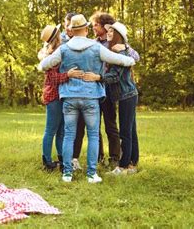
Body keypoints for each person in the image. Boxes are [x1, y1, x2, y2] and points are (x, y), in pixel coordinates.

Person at [38, 14, 135, 183]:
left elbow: (43, 66)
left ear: (72, 30)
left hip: (69, 97)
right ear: (86, 28)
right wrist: (129, 59)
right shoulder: (95, 47)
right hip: (91, 97)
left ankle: (67, 173)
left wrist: (59, 69)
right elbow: (120, 60)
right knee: (93, 135)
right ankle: (92, 174)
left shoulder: (64, 49)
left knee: (69, 135)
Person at [88, 11, 140, 169]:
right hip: (104, 89)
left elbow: (134, 58)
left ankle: (122, 162)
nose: (93, 28)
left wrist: (98, 77)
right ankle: (125, 161)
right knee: (125, 128)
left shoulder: (120, 47)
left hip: (117, 90)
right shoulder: (94, 44)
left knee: (120, 128)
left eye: (95, 25)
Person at [38, 24, 83, 171]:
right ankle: (47, 161)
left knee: (62, 130)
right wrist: (68, 75)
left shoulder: (60, 50)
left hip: (63, 95)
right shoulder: (51, 54)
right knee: (51, 129)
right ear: (56, 36)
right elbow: (53, 78)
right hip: (54, 96)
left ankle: (62, 158)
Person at [61, 12, 86, 171]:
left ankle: (74, 158)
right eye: (66, 24)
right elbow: (44, 56)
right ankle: (66, 161)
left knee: (82, 127)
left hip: (84, 90)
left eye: (70, 25)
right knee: (68, 129)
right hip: (66, 90)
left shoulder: (88, 43)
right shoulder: (61, 41)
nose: (68, 27)